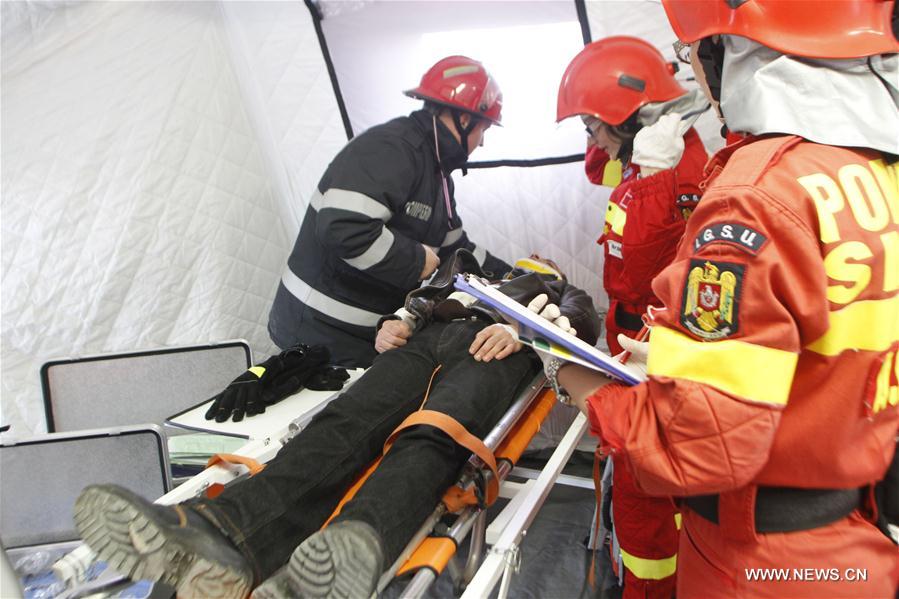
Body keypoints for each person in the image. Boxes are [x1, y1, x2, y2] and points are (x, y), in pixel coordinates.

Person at [549, 1, 899, 597]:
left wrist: (569, 377)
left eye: (693, 51)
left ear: (727, 52)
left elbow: (695, 446)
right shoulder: (869, 172)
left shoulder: (755, 194)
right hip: (850, 540)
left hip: (762, 562)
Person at [73, 250, 601, 599]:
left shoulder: (558, 290)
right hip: (426, 342)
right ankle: (221, 532)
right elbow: (419, 301)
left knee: (433, 433)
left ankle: (353, 547)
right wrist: (400, 322)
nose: (531, 263)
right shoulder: (467, 273)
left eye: (540, 263)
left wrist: (527, 335)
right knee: (343, 424)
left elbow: (583, 323)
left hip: (495, 352)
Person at [554, 35, 710, 598]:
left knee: (647, 495)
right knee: (628, 477)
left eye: (593, 125)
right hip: (630, 331)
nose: (591, 141)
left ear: (628, 119)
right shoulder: (643, 150)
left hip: (653, 343)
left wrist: (652, 180)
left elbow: (641, 274)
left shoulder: (674, 168)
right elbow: (600, 167)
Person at [267, 55, 512, 370]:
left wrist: (513, 276)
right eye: (484, 130)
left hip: (365, 334)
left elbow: (456, 250)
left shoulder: (437, 174)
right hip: (315, 330)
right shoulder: (392, 148)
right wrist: (415, 261)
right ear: (465, 120)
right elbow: (343, 227)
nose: (482, 143)